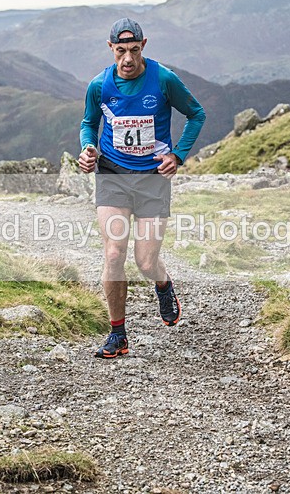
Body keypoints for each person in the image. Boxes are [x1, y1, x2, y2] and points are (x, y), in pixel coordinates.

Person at [78, 18, 205, 359]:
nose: (128, 59)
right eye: (121, 51)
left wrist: (177, 156)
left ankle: (163, 284)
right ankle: (117, 334)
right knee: (114, 254)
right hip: (112, 176)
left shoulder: (163, 79)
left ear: (144, 45)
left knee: (146, 262)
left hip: (152, 179)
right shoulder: (99, 85)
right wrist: (88, 149)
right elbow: (89, 123)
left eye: (134, 50)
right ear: (111, 50)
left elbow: (196, 114)